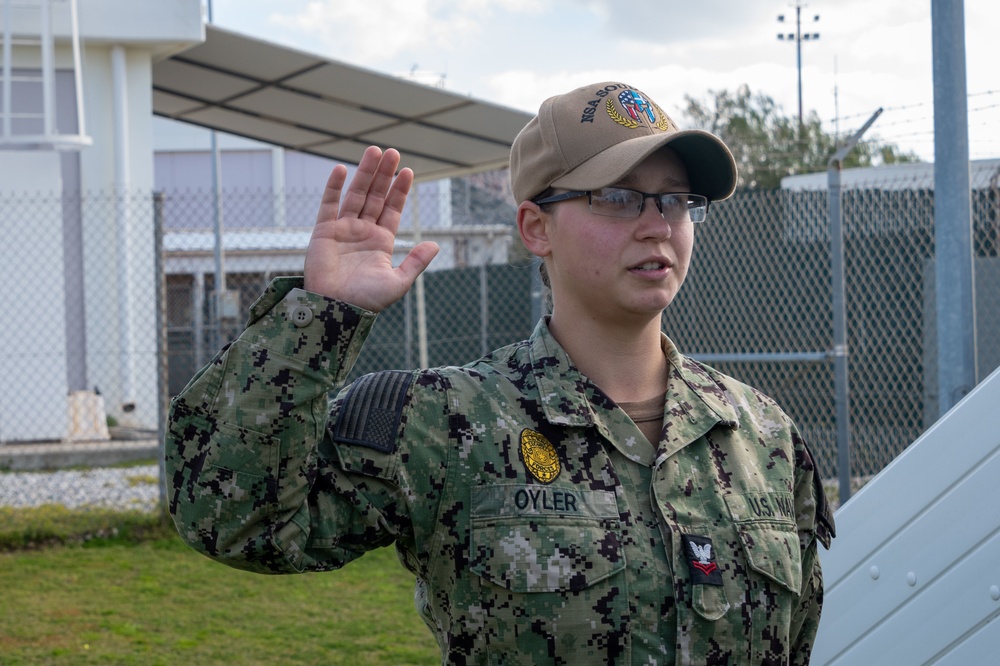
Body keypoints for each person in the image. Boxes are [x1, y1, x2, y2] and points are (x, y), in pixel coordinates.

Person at [165, 80, 835, 665]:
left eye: (676, 200)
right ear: (536, 228)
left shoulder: (760, 434)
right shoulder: (448, 421)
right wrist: (321, 317)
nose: (658, 225)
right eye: (618, 197)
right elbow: (232, 516)